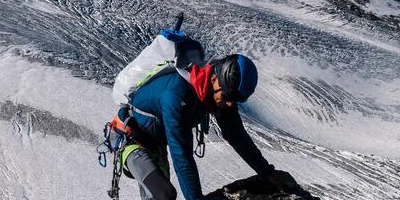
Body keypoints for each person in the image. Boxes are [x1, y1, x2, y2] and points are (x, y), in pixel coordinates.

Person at [117, 54, 293, 200]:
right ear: (215, 79)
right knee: (164, 195)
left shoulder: (221, 92)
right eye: (227, 97)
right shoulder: (177, 96)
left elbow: (236, 135)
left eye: (236, 100)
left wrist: (267, 172)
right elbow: (182, 156)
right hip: (133, 140)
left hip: (157, 143)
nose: (230, 104)